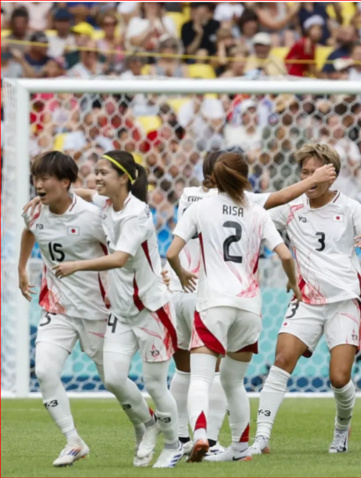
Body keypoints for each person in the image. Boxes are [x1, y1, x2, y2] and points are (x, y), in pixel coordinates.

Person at [165, 151, 336, 459]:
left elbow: (171, 253)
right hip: (249, 308)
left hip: (210, 301)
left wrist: (181, 273)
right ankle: (241, 446)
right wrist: (294, 283)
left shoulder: (196, 202)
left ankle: (199, 435)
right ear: (246, 178)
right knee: (233, 381)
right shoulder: (256, 210)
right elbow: (285, 254)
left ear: (213, 177)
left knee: (199, 377)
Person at [250, 143, 361, 454]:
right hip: (306, 299)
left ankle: (341, 430)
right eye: (305, 173)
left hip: (344, 300)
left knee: (339, 378)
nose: (309, 179)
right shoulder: (291, 207)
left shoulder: (350, 208)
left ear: (331, 177)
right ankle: (261, 438)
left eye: (316, 173)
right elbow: (258, 218)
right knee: (281, 361)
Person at [52, 151, 183, 468]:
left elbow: (120, 258)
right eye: (95, 172)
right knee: (112, 378)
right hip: (121, 313)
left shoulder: (137, 214)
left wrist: (76, 265)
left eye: (102, 173)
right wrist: (46, 200)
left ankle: (173, 444)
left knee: (154, 384)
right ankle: (150, 423)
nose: (95, 178)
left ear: (124, 177)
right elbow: (80, 193)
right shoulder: (108, 204)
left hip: (152, 310)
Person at [18, 152, 124, 467]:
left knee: (115, 379)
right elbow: (29, 231)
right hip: (57, 307)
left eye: (45, 178)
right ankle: (73, 441)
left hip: (97, 310)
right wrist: (21, 268)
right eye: (35, 178)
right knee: (45, 371)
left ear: (65, 182)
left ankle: (155, 422)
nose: (38, 184)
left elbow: (122, 251)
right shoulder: (34, 212)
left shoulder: (93, 217)